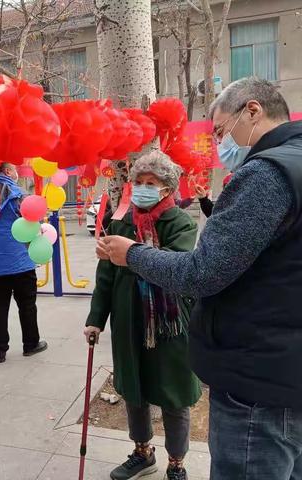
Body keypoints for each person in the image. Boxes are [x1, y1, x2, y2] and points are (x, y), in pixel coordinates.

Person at [97, 77, 302, 479]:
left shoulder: (267, 173)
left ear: (253, 111)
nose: (221, 143)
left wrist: (134, 254)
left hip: (258, 379)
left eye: (222, 131)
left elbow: (203, 271)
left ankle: (174, 458)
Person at [85, 152, 200, 480]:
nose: (143, 188)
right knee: (133, 388)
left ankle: (176, 462)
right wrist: (96, 318)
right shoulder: (122, 222)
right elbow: (105, 274)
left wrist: (131, 256)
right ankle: (142, 451)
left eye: (152, 183)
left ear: (167, 189)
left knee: (173, 394)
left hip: (168, 323)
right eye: (138, 182)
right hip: (128, 320)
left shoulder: (180, 222)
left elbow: (176, 265)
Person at [0, 162, 47, 363]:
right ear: (8, 171)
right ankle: (30, 344)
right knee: (27, 304)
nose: (17, 173)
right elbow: (34, 220)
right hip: (20, 260)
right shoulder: (18, 194)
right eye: (15, 169)